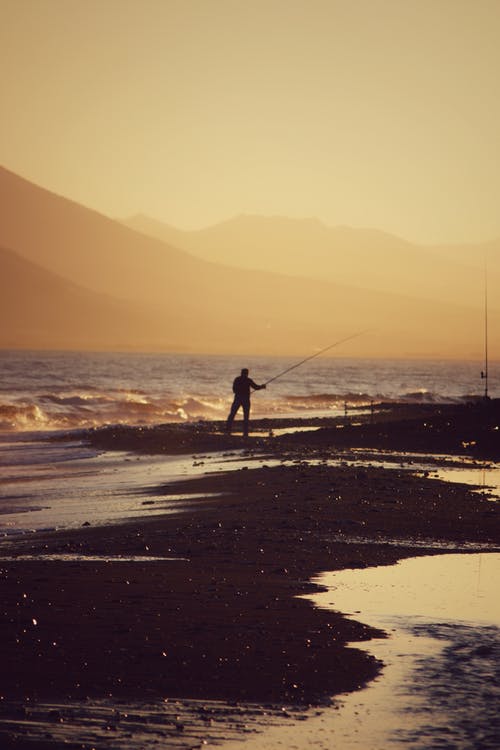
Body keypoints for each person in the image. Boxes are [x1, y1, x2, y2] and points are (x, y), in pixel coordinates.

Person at [226, 368, 266, 437]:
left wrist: (261, 387)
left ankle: (228, 428)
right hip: (244, 399)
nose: (245, 375)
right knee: (245, 415)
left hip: (238, 399)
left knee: (233, 413)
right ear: (246, 373)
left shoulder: (237, 379)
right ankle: (244, 431)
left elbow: (234, 390)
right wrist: (262, 386)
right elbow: (256, 387)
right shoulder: (248, 380)